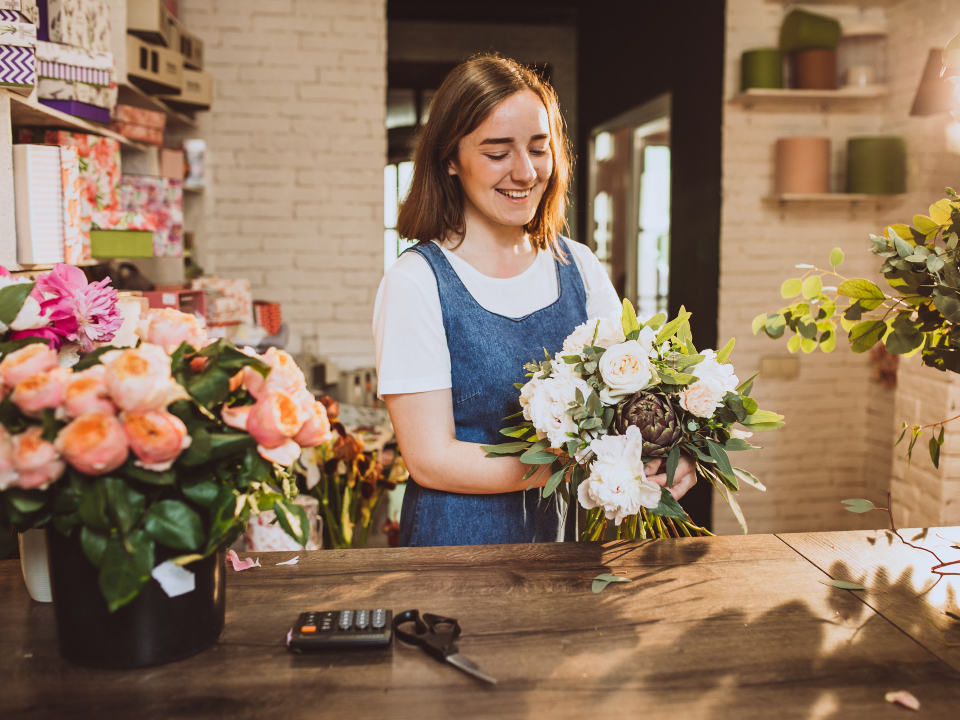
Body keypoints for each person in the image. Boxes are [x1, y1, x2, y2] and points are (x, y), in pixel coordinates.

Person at [373, 55, 697, 547]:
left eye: (539, 148)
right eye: (497, 152)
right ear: (450, 160)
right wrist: (580, 464)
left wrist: (670, 453)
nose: (525, 172)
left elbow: (635, 402)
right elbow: (430, 459)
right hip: (456, 554)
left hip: (568, 547)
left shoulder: (579, 266)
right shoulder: (416, 281)